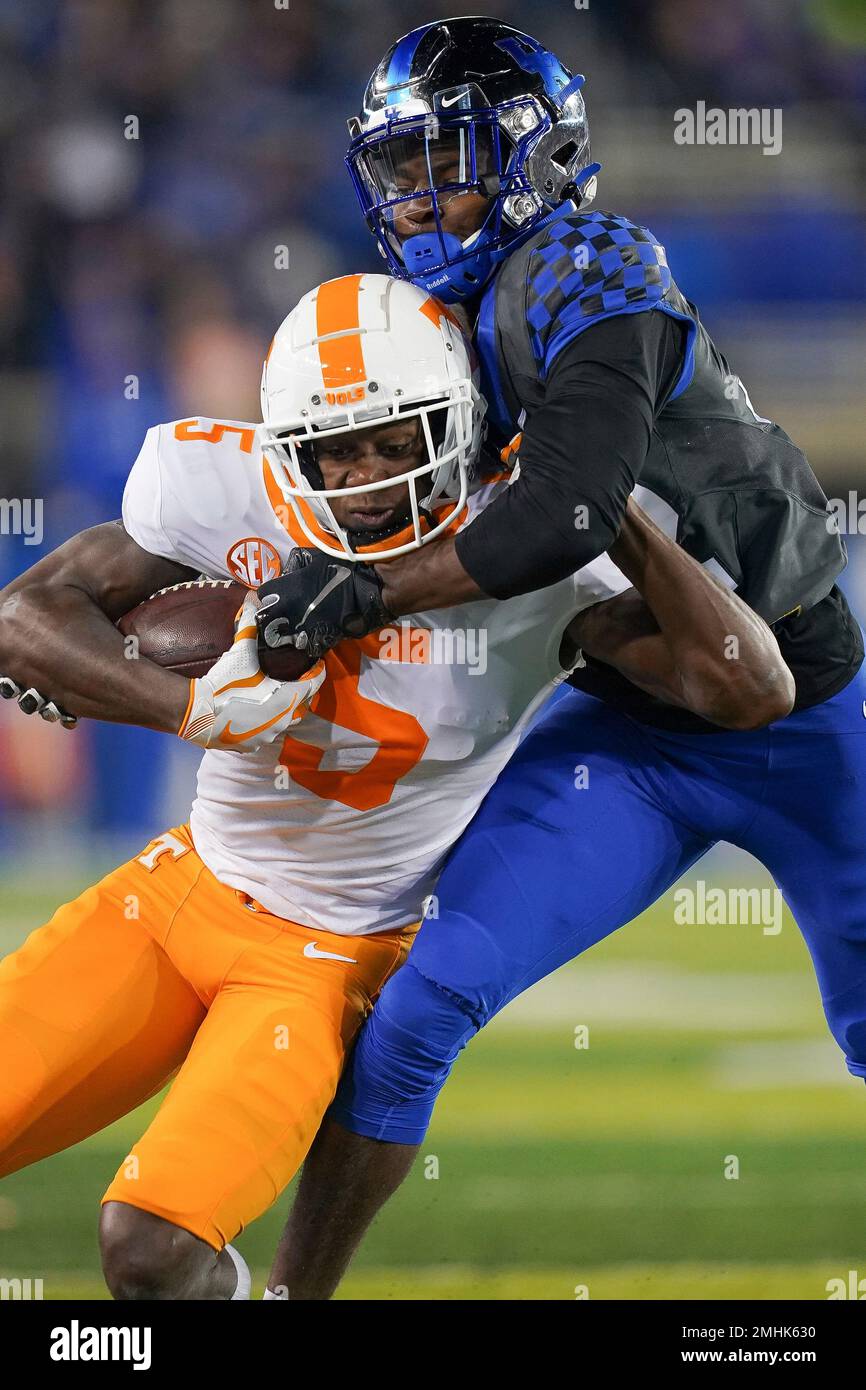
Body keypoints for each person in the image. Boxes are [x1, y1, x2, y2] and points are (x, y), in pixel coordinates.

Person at [0, 271, 786, 1298]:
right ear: (289, 446)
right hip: (177, 888)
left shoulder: (531, 564)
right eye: (338, 447)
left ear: (456, 431)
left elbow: (746, 686)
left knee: (149, 1251)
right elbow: (27, 616)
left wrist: (600, 507)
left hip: (325, 955)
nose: (366, 475)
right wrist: (179, 707)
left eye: (395, 441)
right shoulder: (217, 490)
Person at [257, 18, 866, 1300]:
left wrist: (361, 595)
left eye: (448, 161)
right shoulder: (421, 319)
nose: (420, 198)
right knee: (417, 1010)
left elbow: (568, 512)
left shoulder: (591, 262)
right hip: (628, 729)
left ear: (539, 156)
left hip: (814, 713)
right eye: (401, 169)